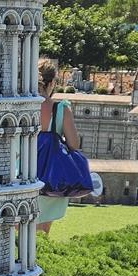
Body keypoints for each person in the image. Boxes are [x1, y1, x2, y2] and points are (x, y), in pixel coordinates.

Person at [37, 60, 80, 235]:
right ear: (52, 83)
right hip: (50, 177)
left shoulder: (19, 105)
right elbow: (74, 144)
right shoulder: (60, 109)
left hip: (18, 174)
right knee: (42, 231)